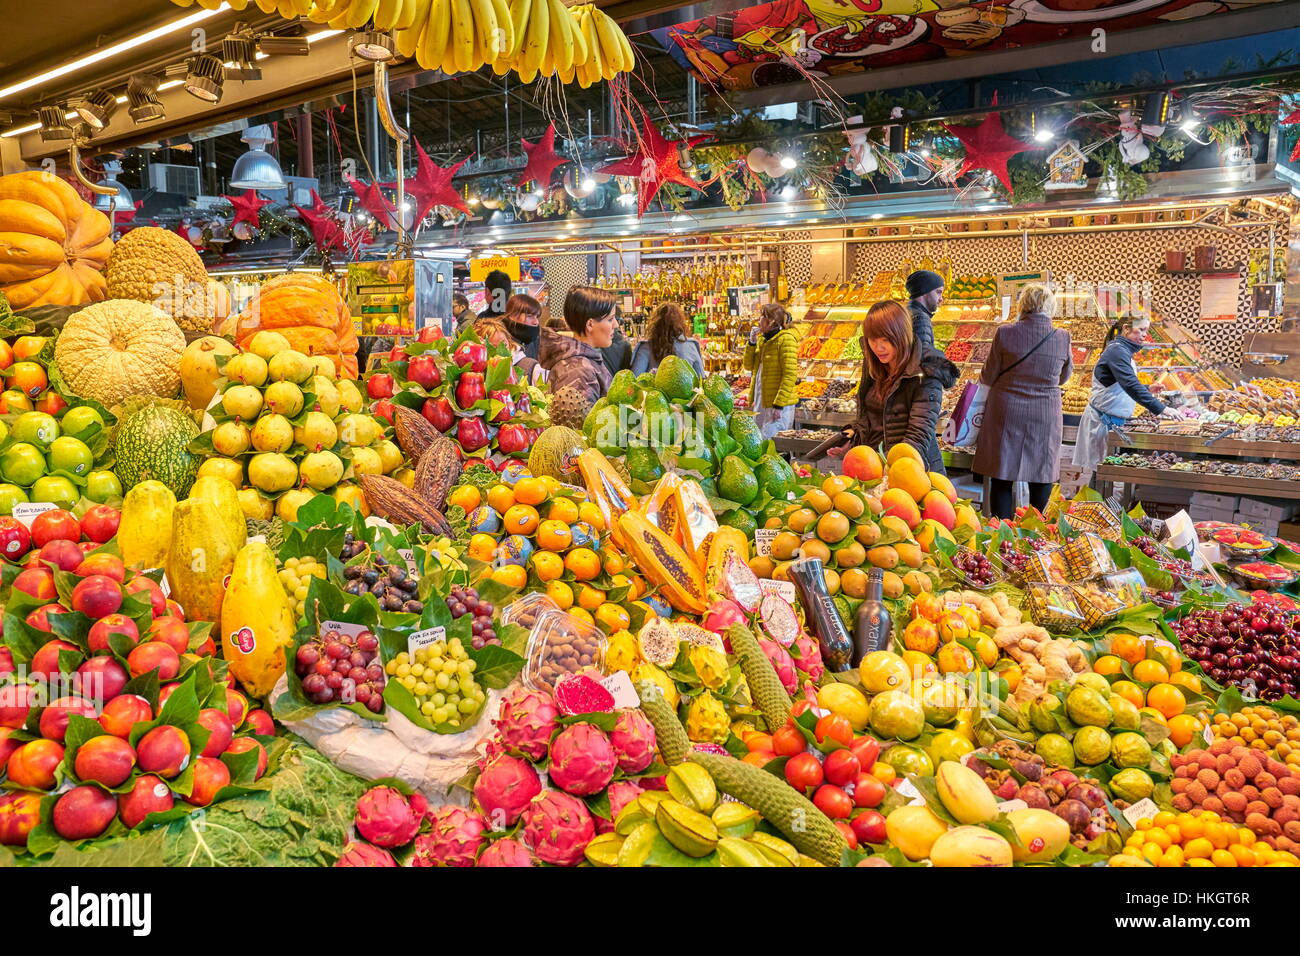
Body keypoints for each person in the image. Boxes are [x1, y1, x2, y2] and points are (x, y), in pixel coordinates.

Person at [972, 283, 1074, 519]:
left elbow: (988, 375)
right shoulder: (1062, 336)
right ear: (1049, 305)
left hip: (1006, 409)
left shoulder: (1005, 333)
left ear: (1023, 305)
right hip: (1044, 412)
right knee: (1041, 473)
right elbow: (1065, 376)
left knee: (1002, 473)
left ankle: (1004, 534)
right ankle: (1036, 533)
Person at [828, 300, 958, 472]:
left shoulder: (926, 371)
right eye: (873, 339)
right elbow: (869, 418)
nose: (879, 347)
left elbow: (919, 434)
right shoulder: (875, 366)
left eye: (886, 339)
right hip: (873, 467)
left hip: (912, 472)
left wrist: (888, 467)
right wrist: (852, 441)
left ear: (901, 334)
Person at [1073, 313, 1178, 479]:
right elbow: (1129, 383)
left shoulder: (1121, 350)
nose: (1145, 334)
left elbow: (1119, 383)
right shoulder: (1117, 351)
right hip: (1103, 421)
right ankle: (1095, 504)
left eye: (1147, 330)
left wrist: (1147, 388)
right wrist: (1161, 409)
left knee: (1105, 474)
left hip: (1113, 420)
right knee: (1102, 475)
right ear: (1126, 329)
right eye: (1141, 329)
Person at [539, 286, 617, 409]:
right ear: (590, 324)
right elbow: (577, 425)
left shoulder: (582, 361)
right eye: (610, 319)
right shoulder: (578, 371)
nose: (615, 324)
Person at [743, 302, 799, 439]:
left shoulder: (786, 340)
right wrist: (751, 343)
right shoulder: (762, 340)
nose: (758, 320)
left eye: (762, 316)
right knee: (759, 441)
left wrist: (779, 405)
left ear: (771, 321)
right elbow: (748, 366)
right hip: (762, 401)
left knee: (774, 445)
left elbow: (790, 375)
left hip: (778, 405)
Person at [630, 302, 705, 378]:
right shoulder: (691, 346)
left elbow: (635, 378)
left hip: (654, 389)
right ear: (681, 322)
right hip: (686, 389)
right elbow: (701, 379)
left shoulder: (646, 347)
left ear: (655, 324)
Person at [473, 315, 547, 386]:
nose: (500, 351)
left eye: (504, 344)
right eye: (492, 348)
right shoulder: (475, 377)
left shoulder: (532, 369)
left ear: (509, 341)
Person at [905, 269, 944, 353]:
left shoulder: (907, 311)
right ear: (925, 291)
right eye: (938, 292)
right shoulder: (920, 318)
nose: (941, 298)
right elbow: (923, 359)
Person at [502, 292, 542, 361]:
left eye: (537, 317)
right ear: (513, 316)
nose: (536, 322)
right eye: (530, 316)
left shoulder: (535, 338)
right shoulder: (500, 338)